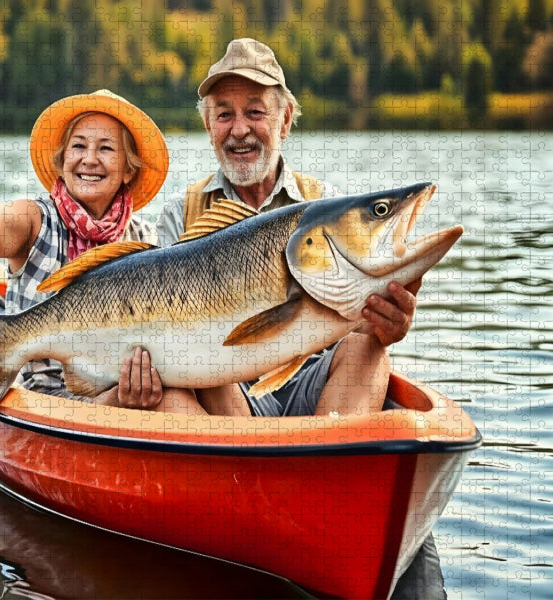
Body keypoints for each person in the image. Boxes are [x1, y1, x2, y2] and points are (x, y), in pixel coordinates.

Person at [156, 38, 445, 598]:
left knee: (369, 346)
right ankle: (265, 514)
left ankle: (323, 502)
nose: (240, 129)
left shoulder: (329, 203)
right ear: (210, 128)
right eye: (225, 115)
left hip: (319, 397)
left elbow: (364, 325)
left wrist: (391, 323)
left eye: (255, 112)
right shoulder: (179, 216)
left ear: (285, 120)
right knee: (181, 370)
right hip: (225, 396)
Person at [0, 89, 201, 413]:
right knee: (174, 401)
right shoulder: (35, 220)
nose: (90, 159)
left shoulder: (146, 238)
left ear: (128, 169)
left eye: (106, 148)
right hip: (51, 400)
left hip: (124, 385)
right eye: (78, 146)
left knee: (187, 390)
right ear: (62, 160)